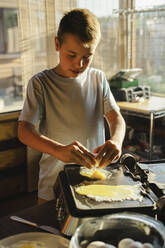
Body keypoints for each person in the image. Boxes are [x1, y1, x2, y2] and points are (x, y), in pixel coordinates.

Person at [18, 8, 126, 204]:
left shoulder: (97, 78)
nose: (80, 64)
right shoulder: (41, 83)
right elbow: (24, 131)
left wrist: (116, 141)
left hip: (93, 180)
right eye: (72, 55)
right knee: (50, 233)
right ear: (57, 44)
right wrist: (59, 151)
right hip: (53, 184)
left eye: (87, 57)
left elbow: (115, 116)